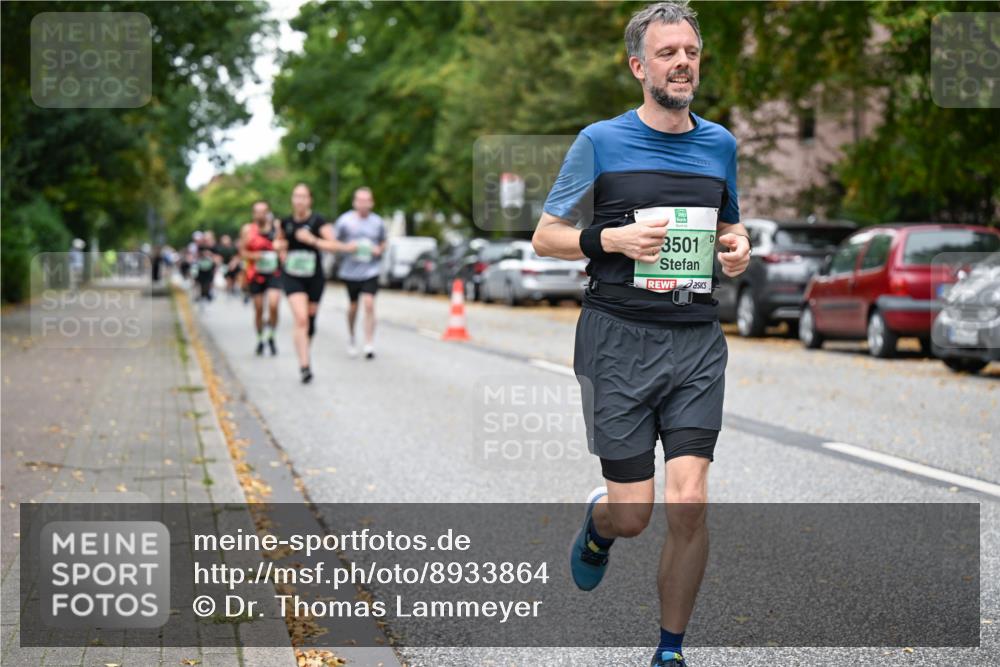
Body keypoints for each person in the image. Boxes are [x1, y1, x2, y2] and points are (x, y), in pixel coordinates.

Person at [531, 3, 751, 666]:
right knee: (635, 515)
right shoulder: (599, 141)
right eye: (667, 52)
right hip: (617, 337)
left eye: (691, 51)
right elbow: (545, 237)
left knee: (689, 500)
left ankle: (670, 649)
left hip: (694, 339)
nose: (682, 62)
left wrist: (738, 248)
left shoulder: (720, 145)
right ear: (639, 66)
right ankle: (600, 524)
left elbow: (728, 227)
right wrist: (610, 237)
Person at [277, 183, 355, 383]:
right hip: (292, 275)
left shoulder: (318, 221)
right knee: (301, 318)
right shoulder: (285, 222)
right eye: (296, 196)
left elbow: (335, 246)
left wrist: (312, 240)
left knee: (310, 322)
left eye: (303, 196)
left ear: (309, 200)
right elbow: (279, 243)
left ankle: (305, 351)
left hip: (314, 277)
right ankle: (304, 366)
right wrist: (281, 250)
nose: (299, 200)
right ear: (292, 199)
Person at [334, 187, 386, 359]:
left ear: (371, 202)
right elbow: (334, 242)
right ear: (355, 202)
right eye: (360, 200)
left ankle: (369, 343)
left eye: (366, 200)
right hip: (350, 271)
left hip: (371, 269)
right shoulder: (344, 221)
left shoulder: (378, 222)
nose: (363, 204)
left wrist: (379, 249)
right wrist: (348, 248)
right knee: (354, 306)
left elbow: (383, 242)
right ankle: (351, 336)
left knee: (369, 303)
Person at [240, 201, 283, 356]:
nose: (260, 215)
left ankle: (271, 335)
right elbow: (242, 252)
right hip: (255, 274)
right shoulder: (247, 230)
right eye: (257, 212)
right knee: (258, 308)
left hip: (273, 272)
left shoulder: (277, 228)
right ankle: (260, 339)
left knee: (273, 304)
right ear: (253, 214)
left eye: (263, 212)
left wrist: (280, 248)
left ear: (268, 213)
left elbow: (285, 246)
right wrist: (254, 256)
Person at [194, 232, 218, 303]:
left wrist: (211, 255)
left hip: (210, 267)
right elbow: (197, 256)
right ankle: (202, 295)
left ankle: (208, 294)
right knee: (201, 282)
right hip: (201, 267)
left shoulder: (214, 247)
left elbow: (217, 257)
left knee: (208, 282)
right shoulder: (201, 246)